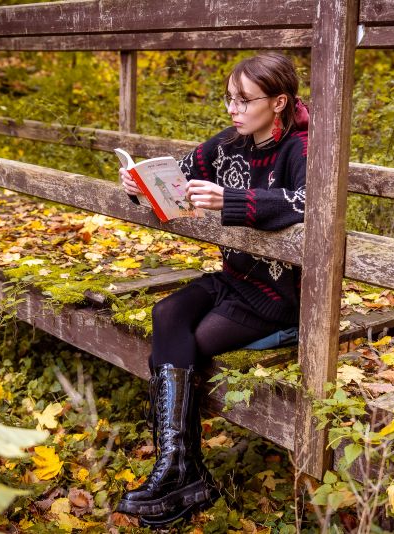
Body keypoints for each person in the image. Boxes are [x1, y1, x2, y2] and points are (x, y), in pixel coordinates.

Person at [115, 52, 309, 527]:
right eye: (229, 99)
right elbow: (175, 174)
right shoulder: (227, 145)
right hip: (234, 276)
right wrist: (138, 183)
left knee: (191, 346)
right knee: (167, 317)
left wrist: (235, 200)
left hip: (279, 294)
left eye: (244, 101)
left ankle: (181, 472)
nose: (232, 110)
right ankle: (180, 468)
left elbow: (310, 202)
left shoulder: (304, 148)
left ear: (278, 101)